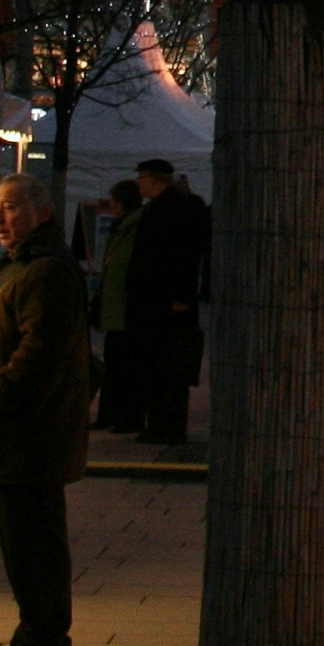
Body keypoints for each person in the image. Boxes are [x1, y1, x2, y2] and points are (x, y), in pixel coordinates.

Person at [0, 175, 95, 646]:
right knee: (23, 542)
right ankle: (34, 632)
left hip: (29, 432)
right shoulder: (24, 265)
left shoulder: (47, 272)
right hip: (21, 430)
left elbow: (39, 355)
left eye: (9, 208)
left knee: (33, 544)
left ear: (41, 212)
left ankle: (45, 643)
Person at [122, 157, 210, 443]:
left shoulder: (171, 211)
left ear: (154, 179)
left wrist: (178, 296)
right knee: (162, 366)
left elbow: (180, 256)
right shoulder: (175, 207)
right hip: (162, 299)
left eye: (142, 178)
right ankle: (162, 424)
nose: (139, 183)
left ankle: (166, 426)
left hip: (164, 301)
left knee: (165, 366)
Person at [91, 179, 147, 432]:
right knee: (116, 364)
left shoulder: (132, 228)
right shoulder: (123, 228)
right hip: (117, 307)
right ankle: (113, 414)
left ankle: (124, 416)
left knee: (124, 366)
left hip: (124, 308)